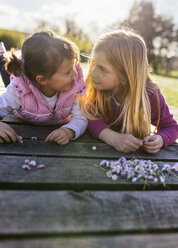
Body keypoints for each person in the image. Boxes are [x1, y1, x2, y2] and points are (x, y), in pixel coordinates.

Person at [80, 28, 178, 154]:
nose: (93, 72)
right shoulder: (96, 89)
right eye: (94, 64)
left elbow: (170, 127)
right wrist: (113, 138)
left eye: (103, 69)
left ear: (125, 77)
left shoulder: (150, 95)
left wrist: (160, 139)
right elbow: (89, 117)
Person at [0, 30, 88, 144]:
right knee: (10, 77)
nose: (75, 74)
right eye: (67, 72)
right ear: (42, 79)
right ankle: (2, 57)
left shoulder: (74, 85)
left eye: (74, 66)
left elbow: (80, 117)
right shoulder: (19, 91)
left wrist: (68, 131)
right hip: (23, 87)